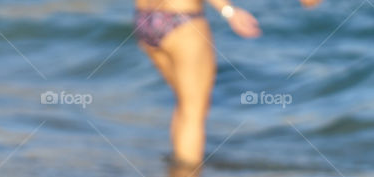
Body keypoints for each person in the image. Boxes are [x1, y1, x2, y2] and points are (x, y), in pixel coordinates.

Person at [134, 0, 321, 167]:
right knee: (193, 110)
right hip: (182, 20)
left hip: (145, 16)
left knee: (184, 104)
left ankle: (177, 170)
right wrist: (229, 10)